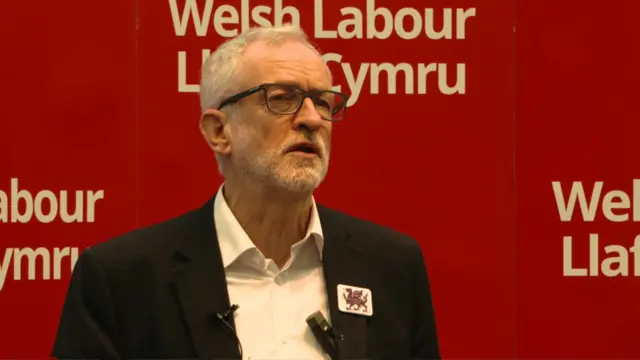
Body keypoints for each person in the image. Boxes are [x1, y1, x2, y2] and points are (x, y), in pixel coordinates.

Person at [51, 24, 440, 360]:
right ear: (219, 131)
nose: (311, 119)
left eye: (323, 102)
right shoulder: (122, 280)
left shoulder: (390, 266)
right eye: (281, 98)